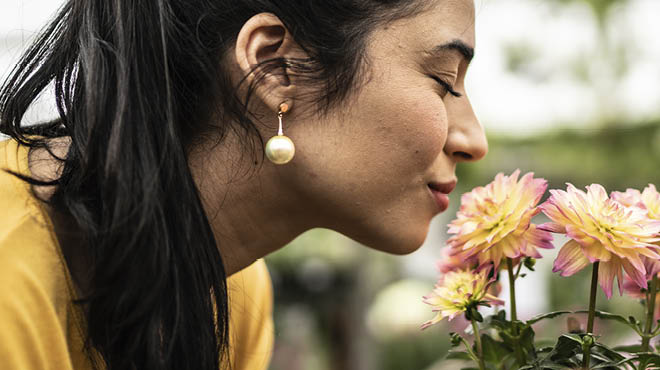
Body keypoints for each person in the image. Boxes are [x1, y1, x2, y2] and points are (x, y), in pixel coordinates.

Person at [0, 0, 488, 369]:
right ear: (275, 66)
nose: (474, 140)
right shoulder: (9, 265)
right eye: (444, 80)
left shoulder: (235, 288)